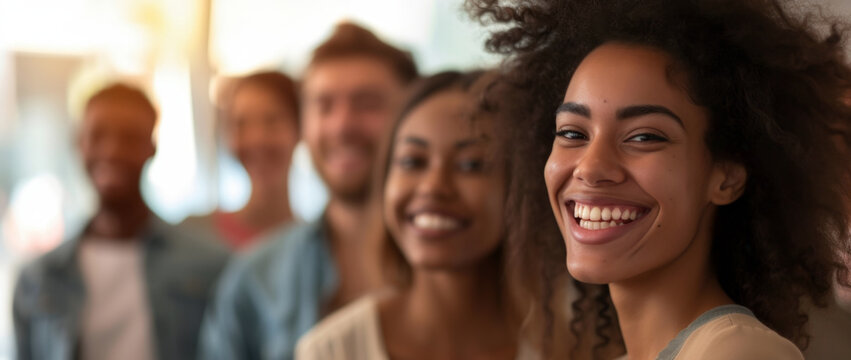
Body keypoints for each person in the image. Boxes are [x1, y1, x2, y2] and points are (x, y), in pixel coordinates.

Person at [468, 0, 851, 359]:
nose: (590, 167)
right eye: (572, 133)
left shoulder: (737, 352)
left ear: (726, 178)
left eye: (644, 137)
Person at [198, 22, 418, 360]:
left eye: (367, 103)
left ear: (411, 114)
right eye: (324, 105)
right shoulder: (255, 279)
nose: (342, 125)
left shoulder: (460, 269)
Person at [296, 70, 539, 360]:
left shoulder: (568, 347)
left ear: (521, 185)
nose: (433, 187)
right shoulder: (330, 351)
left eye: (471, 164)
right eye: (413, 161)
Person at [12, 83, 229, 360]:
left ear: (152, 147)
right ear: (79, 143)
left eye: (130, 137)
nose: (113, 151)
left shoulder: (208, 266)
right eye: (98, 135)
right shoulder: (39, 279)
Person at [181, 71, 300, 251]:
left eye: (272, 121)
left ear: (301, 128)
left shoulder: (322, 243)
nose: (256, 138)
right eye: (241, 124)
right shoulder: (193, 236)